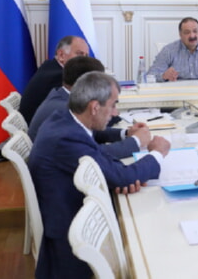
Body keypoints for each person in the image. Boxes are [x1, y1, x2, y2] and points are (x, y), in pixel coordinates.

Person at [28, 71, 171, 279]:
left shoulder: (64, 119)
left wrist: (125, 142)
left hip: (71, 212)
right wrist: (157, 154)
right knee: (151, 240)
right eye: (113, 105)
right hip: (71, 240)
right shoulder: (66, 139)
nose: (115, 113)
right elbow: (121, 177)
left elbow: (97, 146)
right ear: (95, 107)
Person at [28, 56, 151, 159]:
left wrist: (126, 133)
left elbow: (93, 132)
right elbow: (94, 154)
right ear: (85, 83)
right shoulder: (64, 108)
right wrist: (136, 141)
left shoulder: (61, 95)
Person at [19, 35, 89, 123]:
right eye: (79, 54)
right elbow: (77, 112)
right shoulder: (59, 77)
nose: (85, 60)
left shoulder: (49, 66)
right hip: (42, 128)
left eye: (86, 56)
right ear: (61, 55)